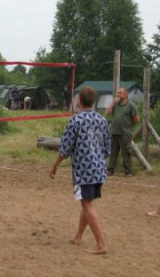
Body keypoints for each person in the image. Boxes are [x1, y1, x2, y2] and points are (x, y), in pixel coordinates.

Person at [48, 86, 111, 254]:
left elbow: (65, 149)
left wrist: (54, 165)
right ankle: (78, 237)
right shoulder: (102, 120)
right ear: (93, 101)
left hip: (84, 171)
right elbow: (107, 148)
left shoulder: (75, 121)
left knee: (87, 205)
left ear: (79, 101)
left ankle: (101, 245)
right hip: (99, 169)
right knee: (87, 202)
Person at [104, 87, 140, 176]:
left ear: (125, 94)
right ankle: (110, 170)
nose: (117, 94)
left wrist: (128, 125)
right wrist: (113, 102)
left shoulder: (131, 105)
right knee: (113, 153)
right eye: (117, 93)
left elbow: (137, 119)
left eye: (120, 93)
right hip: (114, 132)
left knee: (126, 153)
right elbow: (107, 113)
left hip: (125, 133)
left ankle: (128, 172)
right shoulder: (115, 104)